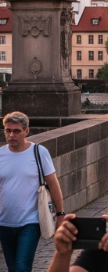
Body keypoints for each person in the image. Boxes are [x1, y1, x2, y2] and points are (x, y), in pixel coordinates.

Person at [1, 112, 65, 272]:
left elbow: (53, 185)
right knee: (13, 267)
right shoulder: (1, 154)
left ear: (26, 131)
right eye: (8, 131)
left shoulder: (38, 152)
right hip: (4, 222)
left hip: (30, 221)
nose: (11, 135)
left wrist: (60, 215)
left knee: (22, 266)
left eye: (16, 131)